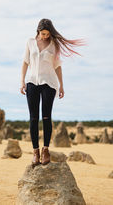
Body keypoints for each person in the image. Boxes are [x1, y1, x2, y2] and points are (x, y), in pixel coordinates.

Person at [20, 18, 84, 166]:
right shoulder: (30, 42)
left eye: (47, 34)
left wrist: (61, 86)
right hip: (31, 83)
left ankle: (45, 150)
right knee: (33, 118)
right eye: (43, 34)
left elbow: (57, 66)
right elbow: (25, 62)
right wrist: (22, 81)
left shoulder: (54, 44)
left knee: (47, 117)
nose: (45, 36)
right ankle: (35, 152)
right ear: (38, 31)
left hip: (48, 83)